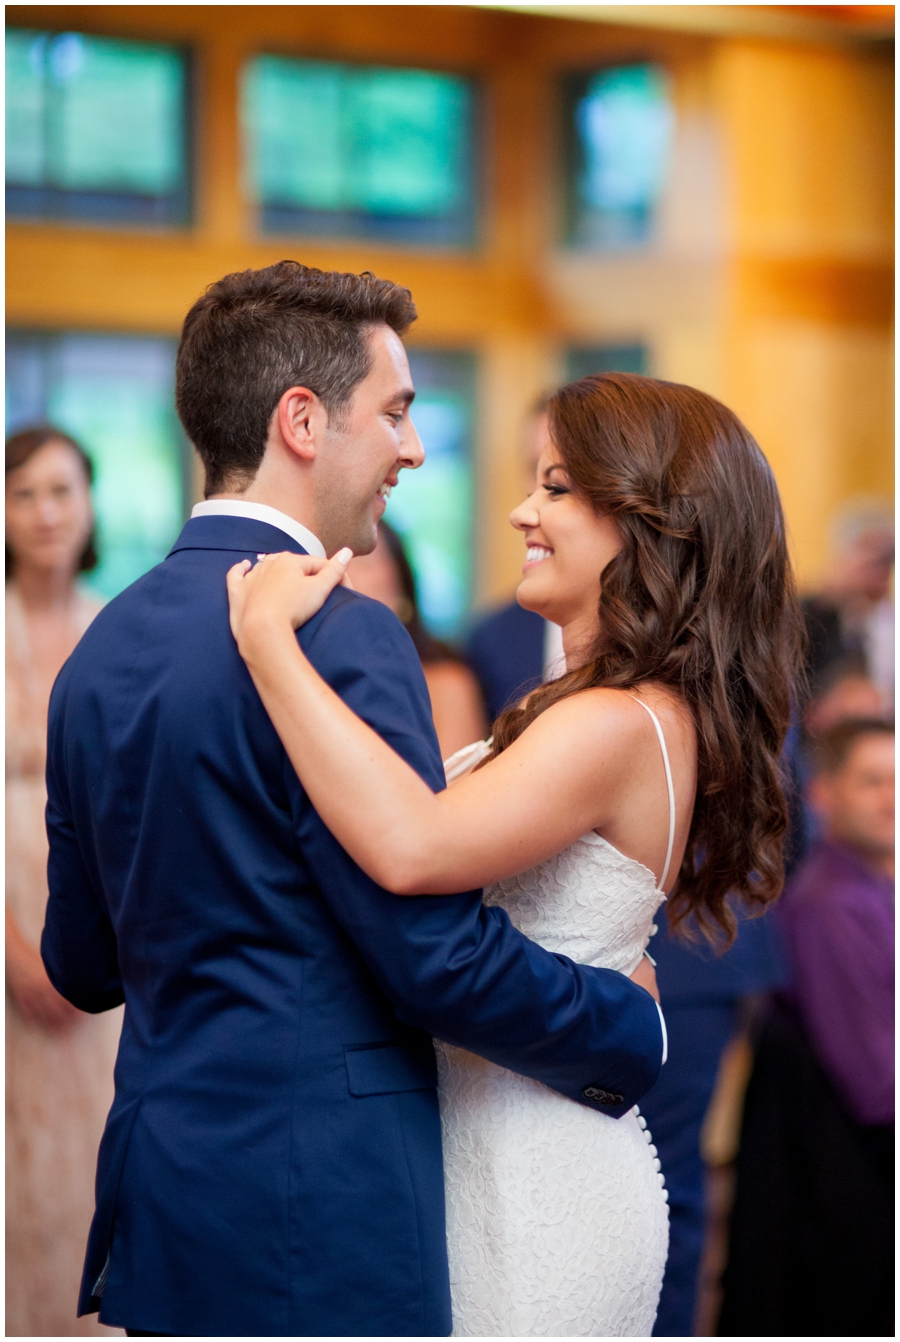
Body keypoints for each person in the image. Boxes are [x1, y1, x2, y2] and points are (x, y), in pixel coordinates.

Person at [40, 262, 666, 1339]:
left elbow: (83, 964)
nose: (412, 450)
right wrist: (630, 1026)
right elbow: (432, 958)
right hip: (321, 1208)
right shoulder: (348, 635)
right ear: (301, 421)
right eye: (395, 412)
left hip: (162, 1190)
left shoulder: (100, 651)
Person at [226, 369, 803, 1336]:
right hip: (493, 1139)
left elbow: (411, 848)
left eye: (558, 488)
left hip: (535, 1174)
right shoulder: (605, 708)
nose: (520, 510)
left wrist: (268, 648)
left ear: (650, 520)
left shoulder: (619, 720)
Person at [718, 716, 893, 1337]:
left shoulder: (876, 890)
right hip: (847, 1204)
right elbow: (880, 1090)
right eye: (872, 781)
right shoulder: (830, 905)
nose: (890, 798)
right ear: (823, 795)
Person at [5, 426, 123, 1337]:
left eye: (60, 491)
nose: (44, 513)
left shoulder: (111, 627)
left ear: (88, 506)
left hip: (97, 916)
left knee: (91, 1159)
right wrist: (13, 948)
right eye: (22, 493)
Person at [347, 520, 487, 757]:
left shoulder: (446, 684)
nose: (344, 573)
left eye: (363, 561)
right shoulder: (309, 676)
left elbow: (453, 786)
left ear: (398, 582)